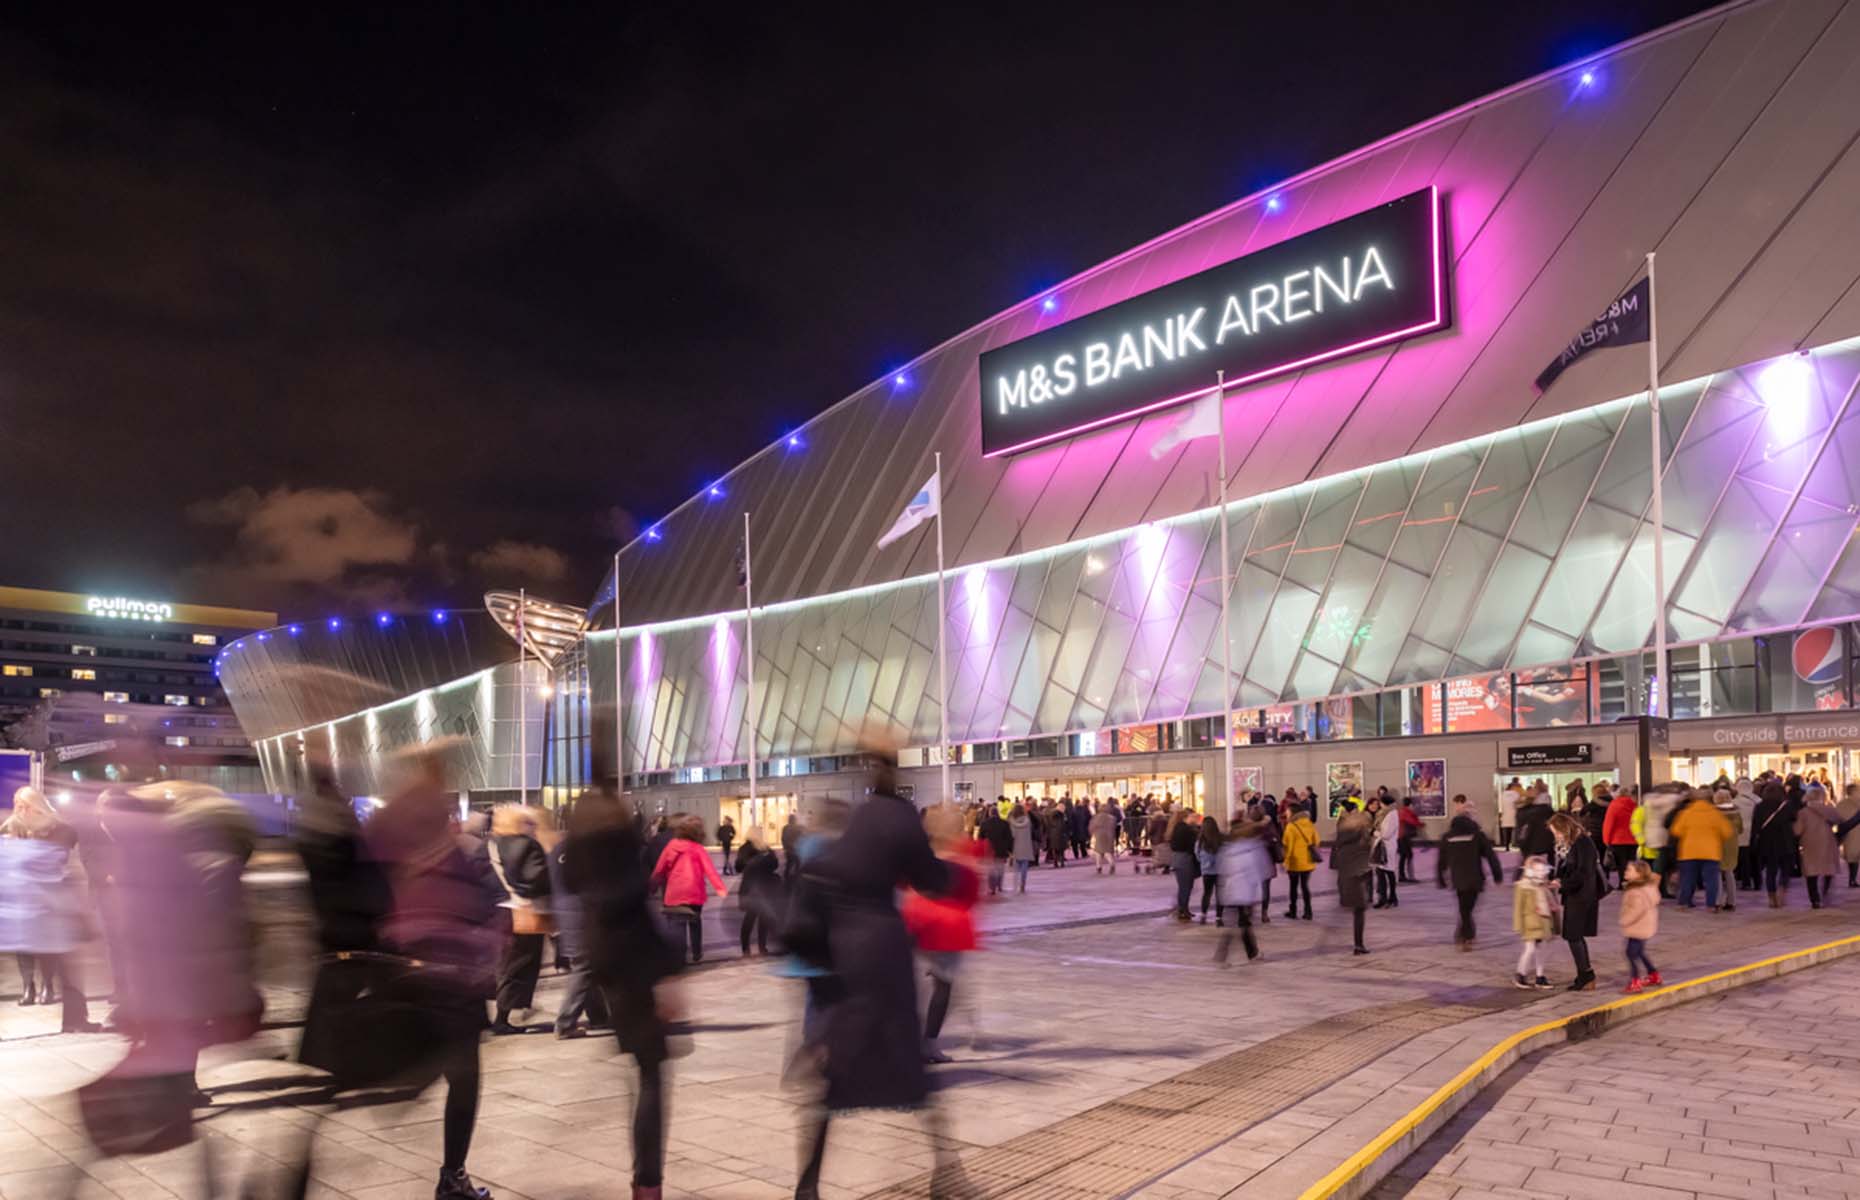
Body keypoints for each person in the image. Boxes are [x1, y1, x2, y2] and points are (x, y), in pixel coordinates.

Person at [796, 769, 972, 1200]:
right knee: (909, 1071)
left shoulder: (857, 824)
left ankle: (808, 1185)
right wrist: (954, 871)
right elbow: (932, 879)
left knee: (834, 1080)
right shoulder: (899, 817)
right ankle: (946, 1174)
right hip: (882, 957)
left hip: (845, 955)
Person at [368, 761, 507, 1200]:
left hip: (412, 978)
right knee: (463, 1080)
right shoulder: (459, 853)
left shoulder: (390, 855)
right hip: (453, 982)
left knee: (443, 1074)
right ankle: (453, 1176)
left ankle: (452, 1174)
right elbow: (486, 905)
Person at [564, 786, 682, 1200]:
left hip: (607, 964)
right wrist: (672, 969)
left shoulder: (583, 861)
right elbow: (642, 923)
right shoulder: (622, 864)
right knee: (651, 1076)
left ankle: (644, 1180)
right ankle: (648, 1184)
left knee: (643, 1072)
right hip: (634, 967)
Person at [901, 823, 980, 1064]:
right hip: (948, 931)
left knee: (916, 989)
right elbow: (971, 897)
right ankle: (930, 1044)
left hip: (918, 926)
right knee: (943, 988)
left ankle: (911, 1039)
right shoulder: (961, 868)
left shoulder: (920, 867)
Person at [486, 805, 552, 1035]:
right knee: (520, 964)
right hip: (525, 910)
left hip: (501, 909)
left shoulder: (493, 844)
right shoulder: (528, 844)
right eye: (529, 823)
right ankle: (502, 1019)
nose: (533, 827)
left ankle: (501, 1015)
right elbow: (537, 877)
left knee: (506, 964)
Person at [651, 814, 728, 964]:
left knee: (677, 925)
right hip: (694, 893)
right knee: (694, 921)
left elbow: (659, 869)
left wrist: (652, 886)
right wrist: (720, 888)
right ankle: (696, 953)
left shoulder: (671, 845)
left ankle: (679, 956)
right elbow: (710, 870)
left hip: (674, 894)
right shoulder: (697, 849)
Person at [1436, 808, 1503, 950]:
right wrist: (1497, 874)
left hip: (1458, 879)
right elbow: (1491, 857)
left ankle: (1464, 934)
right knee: (1468, 908)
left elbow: (1442, 860)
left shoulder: (1447, 838)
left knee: (1464, 908)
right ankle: (1466, 935)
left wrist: (1440, 877)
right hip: (1475, 878)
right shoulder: (1478, 836)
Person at [1549, 812, 1602, 991]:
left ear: (1565, 828)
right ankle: (1585, 974)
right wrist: (1557, 879)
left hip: (1582, 895)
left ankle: (1586, 975)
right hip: (1574, 894)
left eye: (1556, 832)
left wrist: (1562, 882)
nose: (1555, 836)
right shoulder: (1569, 845)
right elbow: (1565, 868)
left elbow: (1583, 873)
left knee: (1573, 935)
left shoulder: (1583, 843)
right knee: (1573, 935)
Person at [1213, 809, 1272, 964]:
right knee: (1243, 924)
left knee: (1237, 923)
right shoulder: (1253, 848)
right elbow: (1263, 871)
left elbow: (1222, 869)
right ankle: (1248, 953)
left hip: (1231, 891)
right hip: (1246, 892)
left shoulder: (1229, 849)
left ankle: (1228, 954)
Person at [1670, 788, 1732, 910]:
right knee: (1711, 880)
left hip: (1688, 851)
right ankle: (1710, 905)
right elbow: (1727, 832)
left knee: (1687, 878)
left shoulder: (1686, 813)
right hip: (1711, 852)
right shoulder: (1715, 814)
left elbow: (1675, 831)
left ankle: (1684, 903)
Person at [1332, 809, 1373, 955]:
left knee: (1358, 910)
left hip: (1346, 879)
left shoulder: (1341, 840)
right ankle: (1359, 945)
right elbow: (1365, 860)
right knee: (1359, 910)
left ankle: (1359, 944)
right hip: (1357, 877)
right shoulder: (1361, 841)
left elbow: (1336, 863)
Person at [1512, 856, 1557, 989]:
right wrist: (1518, 925)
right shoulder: (1523, 886)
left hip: (1543, 922)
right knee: (1530, 949)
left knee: (1541, 950)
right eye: (1537, 870)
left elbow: (1551, 903)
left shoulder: (1544, 886)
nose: (1541, 873)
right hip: (1530, 923)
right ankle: (1520, 974)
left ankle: (1540, 976)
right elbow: (1518, 907)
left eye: (1542, 870)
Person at [1619, 859, 1663, 993]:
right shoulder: (1648, 887)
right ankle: (1653, 975)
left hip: (1637, 927)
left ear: (1639, 874)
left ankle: (1635, 981)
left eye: (1629, 870)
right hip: (1645, 926)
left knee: (1631, 953)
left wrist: (1624, 920)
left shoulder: (1635, 891)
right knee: (1639, 952)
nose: (1626, 872)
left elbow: (1636, 909)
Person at [1795, 784, 1841, 909]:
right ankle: (1825, 892)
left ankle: (1815, 899)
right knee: (1828, 868)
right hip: (1827, 842)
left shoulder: (1803, 813)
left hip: (1809, 843)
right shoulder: (1830, 809)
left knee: (1811, 871)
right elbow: (1839, 820)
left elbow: (1798, 830)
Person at [1752, 781, 1797, 907]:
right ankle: (1782, 891)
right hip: (1785, 841)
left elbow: (1756, 825)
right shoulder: (1786, 805)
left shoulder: (1760, 806)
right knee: (1785, 869)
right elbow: (1794, 819)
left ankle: (1771, 897)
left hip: (1767, 842)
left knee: (1770, 871)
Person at [735, 835, 779, 955]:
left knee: (750, 918)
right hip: (765, 888)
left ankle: (746, 949)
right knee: (763, 918)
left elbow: (738, 867)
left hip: (750, 888)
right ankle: (762, 947)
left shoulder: (744, 849)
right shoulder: (766, 850)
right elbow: (775, 865)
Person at [1280, 801, 1319, 920]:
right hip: (1307, 861)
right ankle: (1308, 911)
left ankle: (1293, 911)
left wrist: (1285, 862)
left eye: (1287, 811)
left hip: (1294, 862)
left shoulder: (1291, 826)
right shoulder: (1309, 823)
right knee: (1305, 886)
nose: (1286, 813)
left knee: (1293, 887)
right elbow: (1316, 841)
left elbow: (1288, 847)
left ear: (1292, 812)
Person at [1601, 785, 1639, 888]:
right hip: (1632, 839)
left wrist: (1606, 840)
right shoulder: (1634, 805)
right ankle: (1631, 881)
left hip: (1617, 840)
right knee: (1631, 862)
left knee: (1621, 864)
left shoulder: (1614, 805)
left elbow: (1609, 824)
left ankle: (1623, 882)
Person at [1712, 789, 1743, 912]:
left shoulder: (1714, 812)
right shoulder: (1736, 811)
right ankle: (1732, 901)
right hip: (1732, 844)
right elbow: (1740, 829)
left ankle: (1717, 901)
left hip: (1717, 843)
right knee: (1729, 872)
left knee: (1717, 873)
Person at [1167, 808, 1201, 920]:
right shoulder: (1186, 830)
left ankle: (1183, 909)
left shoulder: (1176, 828)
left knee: (1184, 886)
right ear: (1185, 817)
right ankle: (1183, 909)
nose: (1193, 818)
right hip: (1185, 860)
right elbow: (1192, 845)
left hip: (1177, 859)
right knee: (1186, 887)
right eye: (1191, 816)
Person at [1370, 796, 1400, 909]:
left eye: (1380, 803)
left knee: (1388, 872)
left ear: (1384, 803)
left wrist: (1375, 833)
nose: (1379, 806)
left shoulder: (1391, 814)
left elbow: (1386, 834)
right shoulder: (1385, 813)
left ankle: (1392, 897)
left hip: (1387, 847)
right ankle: (1383, 898)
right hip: (1382, 846)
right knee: (1381, 872)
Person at [1195, 814, 1223, 924]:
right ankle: (1218, 917)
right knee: (1219, 894)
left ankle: (1203, 915)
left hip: (1206, 870)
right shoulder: (1220, 839)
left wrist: (1204, 863)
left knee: (1207, 892)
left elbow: (1197, 855)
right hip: (1220, 870)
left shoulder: (1200, 841)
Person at [978, 804, 1012, 894]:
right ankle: (999, 885)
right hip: (1001, 850)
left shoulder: (984, 823)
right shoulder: (1004, 823)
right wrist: (1010, 849)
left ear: (990, 813)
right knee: (1000, 868)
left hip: (989, 850)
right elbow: (1009, 838)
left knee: (991, 870)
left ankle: (992, 887)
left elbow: (980, 837)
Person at [1008, 804, 1035, 893]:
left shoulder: (1012, 822)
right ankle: (1023, 883)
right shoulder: (1027, 821)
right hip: (1026, 845)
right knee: (1024, 866)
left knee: (1016, 866)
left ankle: (1016, 883)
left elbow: (1012, 835)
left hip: (1016, 846)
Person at [1396, 797, 1423, 883]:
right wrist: (1421, 824)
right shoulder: (1406, 812)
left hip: (1400, 837)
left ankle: (1402, 875)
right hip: (1404, 837)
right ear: (1410, 804)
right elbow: (1413, 822)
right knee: (1408, 856)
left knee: (1403, 857)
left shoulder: (1401, 811)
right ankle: (1409, 876)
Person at [1840, 782, 1860, 889]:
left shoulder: (1842, 803)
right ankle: (1852, 879)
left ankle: (1852, 879)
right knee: (1854, 857)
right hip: (1854, 833)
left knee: (1852, 857)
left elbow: (1837, 817)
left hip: (1848, 833)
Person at [1089, 802, 1118, 874]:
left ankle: (1099, 867)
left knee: (1098, 852)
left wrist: (1091, 834)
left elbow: (1092, 827)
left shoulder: (1097, 817)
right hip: (1110, 836)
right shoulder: (1112, 818)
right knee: (1107, 851)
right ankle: (1111, 864)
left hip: (1099, 836)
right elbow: (1114, 827)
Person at [1497, 784, 1520, 851]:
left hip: (1505, 815)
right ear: (1513, 787)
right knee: (1514, 831)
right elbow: (1518, 804)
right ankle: (1514, 844)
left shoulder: (1503, 794)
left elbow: (1500, 805)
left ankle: (1507, 846)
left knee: (1507, 831)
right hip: (1514, 814)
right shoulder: (1516, 794)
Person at [781, 812, 803, 884]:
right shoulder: (797, 828)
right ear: (794, 820)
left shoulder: (785, 828)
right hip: (795, 849)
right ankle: (796, 879)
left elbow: (783, 838)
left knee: (789, 863)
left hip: (788, 849)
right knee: (797, 864)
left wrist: (784, 847)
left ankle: (786, 878)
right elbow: (800, 838)